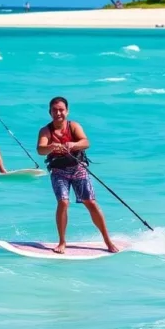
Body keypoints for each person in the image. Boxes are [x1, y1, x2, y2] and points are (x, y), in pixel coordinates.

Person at [36, 97, 118, 254]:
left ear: (67, 111)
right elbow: (40, 149)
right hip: (59, 173)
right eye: (54, 110)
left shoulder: (73, 126)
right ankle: (62, 242)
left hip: (78, 169)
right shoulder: (46, 131)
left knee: (91, 203)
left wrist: (73, 145)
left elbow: (86, 142)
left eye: (61, 110)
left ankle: (107, 240)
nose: (58, 113)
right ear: (50, 112)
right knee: (63, 203)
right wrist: (51, 147)